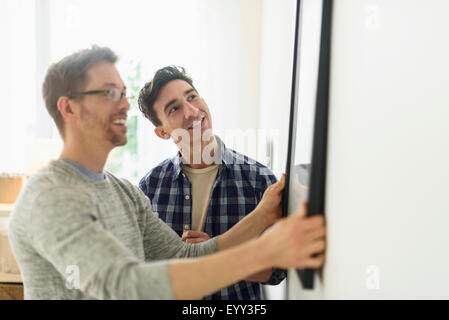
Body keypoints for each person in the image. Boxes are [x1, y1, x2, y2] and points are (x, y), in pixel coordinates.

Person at [8, 45, 326, 300]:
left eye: (123, 93)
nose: (123, 106)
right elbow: (125, 285)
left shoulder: (127, 193)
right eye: (109, 93)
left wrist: (261, 216)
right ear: (69, 108)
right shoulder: (49, 196)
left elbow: (184, 256)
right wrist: (262, 250)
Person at [137, 66, 286, 299]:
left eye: (192, 97)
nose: (192, 111)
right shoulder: (149, 188)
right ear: (162, 132)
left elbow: (278, 269)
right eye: (175, 108)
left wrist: (216, 256)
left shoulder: (258, 180)